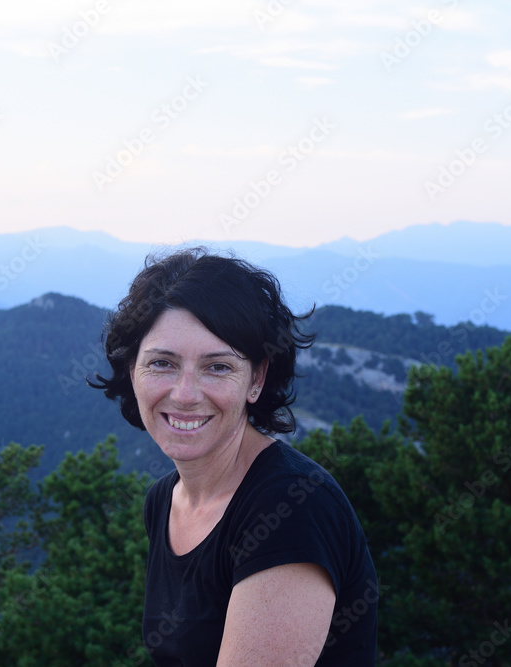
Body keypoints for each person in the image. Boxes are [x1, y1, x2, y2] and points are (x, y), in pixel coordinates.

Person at [89, 248, 378, 665]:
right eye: (162, 363)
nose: (185, 394)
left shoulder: (292, 508)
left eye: (218, 367)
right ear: (132, 371)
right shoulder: (165, 501)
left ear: (256, 379)